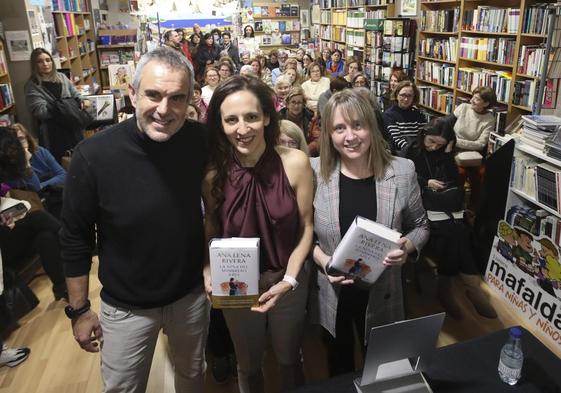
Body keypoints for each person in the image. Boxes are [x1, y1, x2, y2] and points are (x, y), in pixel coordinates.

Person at [59, 47, 210, 393]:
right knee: (123, 388)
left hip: (189, 297)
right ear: (132, 93)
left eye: (177, 98)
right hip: (125, 307)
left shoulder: (201, 141)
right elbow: (74, 237)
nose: (164, 109)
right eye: (153, 95)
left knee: (191, 376)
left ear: (190, 100)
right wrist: (79, 310)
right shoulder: (93, 156)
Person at [203, 75, 313, 393]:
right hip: (236, 280)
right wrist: (207, 268)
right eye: (231, 120)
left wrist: (289, 280)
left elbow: (306, 226)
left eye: (251, 117)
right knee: (248, 364)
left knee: (289, 360)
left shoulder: (295, 163)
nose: (243, 128)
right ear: (220, 124)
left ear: (267, 117)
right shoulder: (213, 174)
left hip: (287, 277)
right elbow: (210, 229)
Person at [310, 89, 429, 377]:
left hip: (383, 290)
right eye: (339, 128)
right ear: (328, 133)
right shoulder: (313, 172)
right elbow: (305, 236)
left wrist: (407, 247)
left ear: (372, 127)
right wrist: (324, 261)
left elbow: (421, 226)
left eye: (357, 125)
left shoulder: (402, 171)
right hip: (334, 290)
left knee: (383, 367)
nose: (350, 137)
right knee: (338, 364)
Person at [406, 117, 497, 319]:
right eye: (431, 141)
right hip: (418, 210)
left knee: (459, 232)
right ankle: (458, 290)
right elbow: (404, 182)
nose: (433, 147)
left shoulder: (443, 153)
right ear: (423, 135)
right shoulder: (411, 151)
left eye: (440, 144)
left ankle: (460, 288)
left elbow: (455, 183)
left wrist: (447, 155)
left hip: (442, 211)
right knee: (455, 233)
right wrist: (425, 182)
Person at [0, 126, 67, 301]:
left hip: (9, 229)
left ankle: (61, 287)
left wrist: (27, 165)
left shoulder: (36, 154)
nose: (19, 148)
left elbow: (35, 189)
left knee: (44, 235)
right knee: (37, 217)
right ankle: (74, 243)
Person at [25, 48, 91, 163]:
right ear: (34, 65)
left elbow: (75, 94)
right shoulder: (32, 85)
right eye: (40, 61)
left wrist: (83, 100)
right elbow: (40, 111)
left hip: (72, 125)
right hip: (52, 132)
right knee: (61, 162)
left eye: (48, 60)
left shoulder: (61, 77)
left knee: (80, 158)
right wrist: (65, 106)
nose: (45, 64)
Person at [454, 86, 497, 211]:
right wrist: (455, 143)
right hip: (454, 151)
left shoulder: (489, 119)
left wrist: (457, 141)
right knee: (460, 173)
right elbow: (447, 125)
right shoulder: (463, 108)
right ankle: (456, 204)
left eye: (477, 99)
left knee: (482, 175)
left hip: (474, 155)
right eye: (473, 96)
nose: (472, 100)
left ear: (486, 103)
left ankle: (473, 210)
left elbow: (481, 144)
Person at [383, 80, 427, 155]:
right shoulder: (389, 115)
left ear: (414, 97)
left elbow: (424, 135)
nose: (406, 99)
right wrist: (413, 151)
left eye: (409, 96)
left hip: (418, 152)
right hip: (400, 155)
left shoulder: (419, 114)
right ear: (397, 95)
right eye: (403, 95)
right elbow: (397, 140)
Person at [279, 87, 319, 156]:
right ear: (287, 104)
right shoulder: (279, 118)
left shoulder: (311, 117)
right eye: (293, 102)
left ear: (303, 105)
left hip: (307, 154)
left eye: (299, 103)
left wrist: (304, 151)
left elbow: (317, 140)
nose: (296, 106)